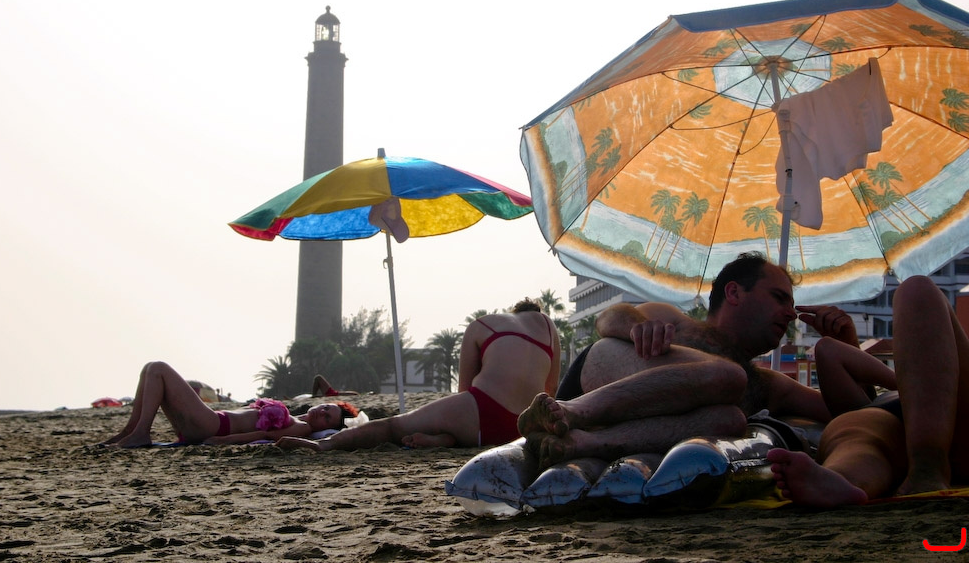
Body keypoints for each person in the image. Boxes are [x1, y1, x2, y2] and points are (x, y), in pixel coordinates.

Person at [518, 252, 860, 468]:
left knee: (730, 420)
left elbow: (854, 411)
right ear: (734, 292)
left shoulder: (769, 384)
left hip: (623, 427)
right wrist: (638, 328)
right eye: (779, 298)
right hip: (599, 376)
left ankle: (580, 443)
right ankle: (570, 411)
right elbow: (608, 318)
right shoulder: (677, 321)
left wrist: (848, 345)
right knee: (730, 377)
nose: (790, 313)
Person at [768, 274, 969, 506]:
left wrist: (847, 340)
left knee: (916, 289)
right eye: (778, 298)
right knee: (854, 436)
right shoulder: (763, 381)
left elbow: (831, 352)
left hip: (926, 413)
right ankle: (843, 479)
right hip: (884, 421)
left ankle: (926, 465)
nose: (790, 313)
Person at [275, 298, 561, 452]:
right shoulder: (548, 328)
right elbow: (551, 392)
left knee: (393, 426)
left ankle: (323, 444)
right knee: (452, 423)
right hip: (523, 428)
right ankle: (446, 439)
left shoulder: (482, 325)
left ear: (513, 311)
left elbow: (465, 390)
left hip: (483, 413)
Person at [101, 361, 359, 447]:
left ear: (325, 428)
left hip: (214, 426)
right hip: (210, 422)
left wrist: (222, 441)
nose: (322, 411)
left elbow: (264, 435)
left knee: (158, 368)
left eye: (327, 417)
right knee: (149, 369)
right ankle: (131, 431)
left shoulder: (301, 428)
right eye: (326, 408)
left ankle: (141, 432)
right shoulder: (297, 417)